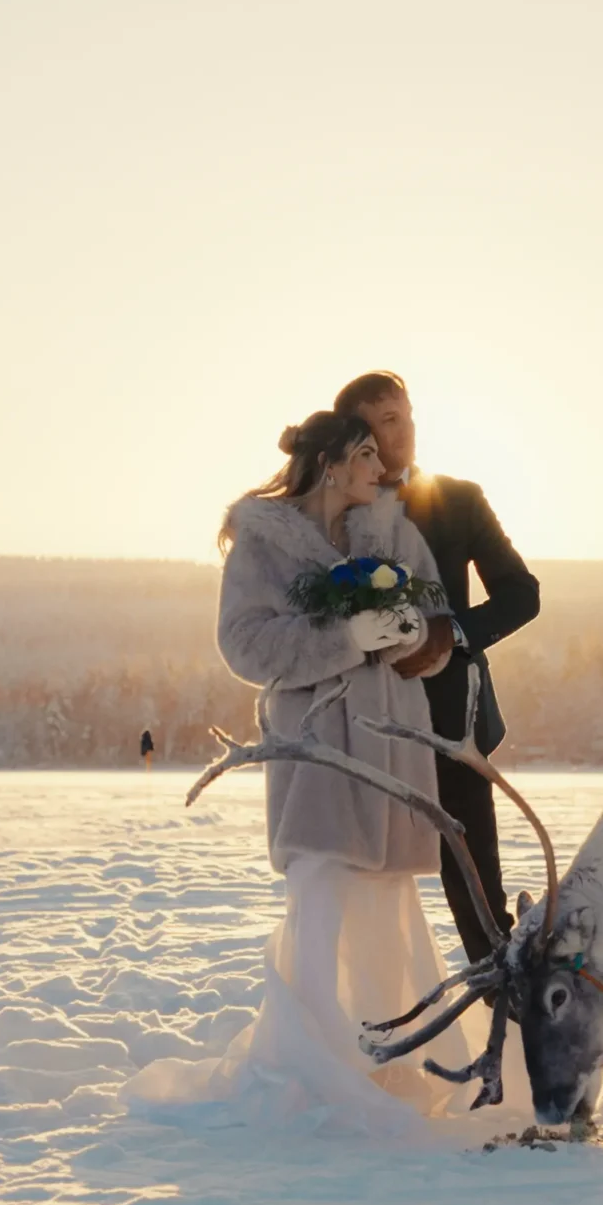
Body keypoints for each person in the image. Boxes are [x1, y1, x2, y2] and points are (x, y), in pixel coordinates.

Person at [125, 410, 477, 1133]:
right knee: (319, 896)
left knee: (387, 910)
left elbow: (440, 625)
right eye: (368, 456)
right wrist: (345, 637)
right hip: (318, 748)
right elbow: (245, 645)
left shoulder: (396, 532)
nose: (382, 470)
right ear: (332, 462)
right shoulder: (261, 542)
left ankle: (401, 1064)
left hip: (394, 746)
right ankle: (311, 1069)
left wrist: (416, 639)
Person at [334, 371, 540, 962]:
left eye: (408, 413)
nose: (406, 431)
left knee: (481, 905)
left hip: (454, 721)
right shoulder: (335, 512)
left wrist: (455, 632)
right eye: (388, 420)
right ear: (359, 436)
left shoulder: (460, 498)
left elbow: (522, 595)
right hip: (363, 724)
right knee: (358, 892)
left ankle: (508, 1018)